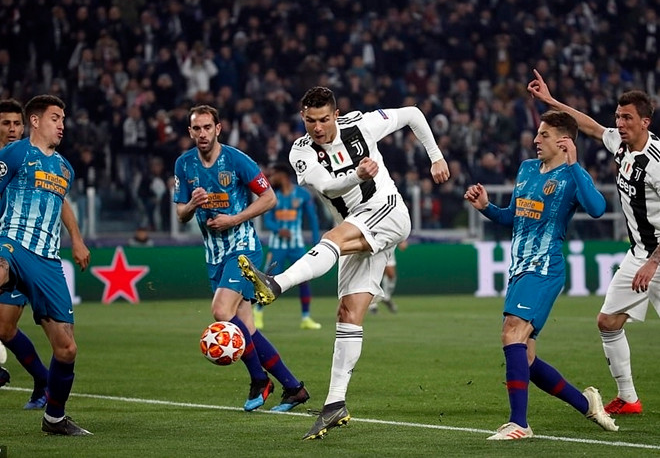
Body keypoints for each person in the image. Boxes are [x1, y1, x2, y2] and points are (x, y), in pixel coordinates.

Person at [238, 86, 450, 440]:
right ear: (302, 117)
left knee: (332, 239)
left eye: (324, 119)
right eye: (310, 120)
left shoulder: (361, 125)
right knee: (348, 313)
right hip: (356, 223)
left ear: (335, 114)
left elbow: (413, 113)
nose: (317, 127)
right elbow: (329, 187)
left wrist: (436, 157)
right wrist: (358, 175)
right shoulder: (301, 151)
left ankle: (277, 283)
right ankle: (335, 403)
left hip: (387, 210)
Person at [464, 109, 618, 440]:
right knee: (527, 357)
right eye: (537, 133)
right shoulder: (527, 169)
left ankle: (519, 423)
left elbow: (597, 209)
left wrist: (574, 164)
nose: (535, 139)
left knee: (511, 333)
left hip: (545, 268)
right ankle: (587, 404)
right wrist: (487, 208)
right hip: (519, 269)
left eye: (544, 135)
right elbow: (513, 217)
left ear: (564, 142)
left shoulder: (572, 176)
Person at [528, 69, 657, 415]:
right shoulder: (621, 145)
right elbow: (591, 127)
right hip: (639, 254)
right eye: (618, 116)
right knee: (608, 322)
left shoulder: (656, 163)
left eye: (627, 118)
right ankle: (628, 398)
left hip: (657, 257)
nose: (620, 123)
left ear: (645, 122)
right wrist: (551, 101)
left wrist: (653, 262)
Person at [173, 104, 309, 413]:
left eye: (208, 127)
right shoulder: (184, 164)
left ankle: (260, 380)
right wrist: (192, 204)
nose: (203, 133)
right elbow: (181, 214)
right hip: (215, 255)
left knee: (221, 311)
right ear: (190, 132)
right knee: (246, 326)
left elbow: (269, 198)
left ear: (218, 129)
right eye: (197, 128)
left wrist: (234, 219)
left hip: (243, 247)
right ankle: (293, 388)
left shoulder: (236, 160)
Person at [0, 95, 91, 435]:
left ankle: (54, 418)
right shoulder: (14, 154)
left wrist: (77, 239)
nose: (62, 124)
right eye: (55, 118)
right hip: (11, 243)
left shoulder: (65, 168)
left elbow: (62, 204)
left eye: (63, 118)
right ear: (36, 121)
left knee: (67, 349)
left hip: (48, 260)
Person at [254, 162, 322, 331]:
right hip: (277, 246)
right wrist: (279, 230)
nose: (271, 178)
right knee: (267, 281)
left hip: (297, 246)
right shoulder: (272, 196)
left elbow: (313, 219)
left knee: (304, 279)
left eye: (274, 174)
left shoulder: (303, 194)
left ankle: (306, 318)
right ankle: (257, 313)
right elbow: (267, 220)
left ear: (282, 175)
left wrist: (316, 243)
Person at [369, 240, 408, 314]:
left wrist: (401, 241)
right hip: (375, 250)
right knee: (375, 275)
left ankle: (386, 297)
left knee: (391, 275)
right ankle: (372, 304)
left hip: (388, 248)